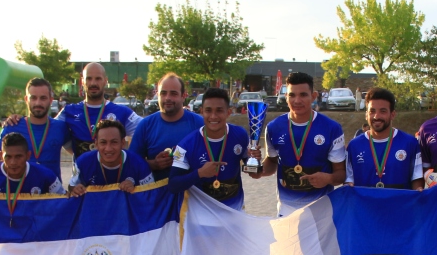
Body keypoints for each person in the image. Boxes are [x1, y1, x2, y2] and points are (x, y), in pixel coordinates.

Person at [250, 71, 346, 216]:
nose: (297, 100)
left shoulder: (332, 128)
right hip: (286, 210)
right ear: (285, 97)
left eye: (303, 95)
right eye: (292, 95)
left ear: (313, 96)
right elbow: (272, 162)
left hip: (321, 212)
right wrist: (258, 170)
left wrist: (329, 178)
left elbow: (341, 173)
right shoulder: (274, 127)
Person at [4, 63, 143, 159]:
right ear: (82, 81)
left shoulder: (122, 112)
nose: (93, 83)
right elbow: (45, 127)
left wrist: (130, 155)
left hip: (114, 181)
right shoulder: (68, 112)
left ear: (105, 81)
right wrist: (19, 119)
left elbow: (148, 128)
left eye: (98, 79)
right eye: (89, 78)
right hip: (81, 184)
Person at [168, 87, 251, 210]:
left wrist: (255, 161)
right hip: (201, 217)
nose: (213, 116)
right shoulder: (185, 146)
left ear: (228, 112)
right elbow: (173, 185)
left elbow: (254, 172)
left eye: (219, 110)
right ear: (201, 112)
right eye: (208, 110)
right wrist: (200, 173)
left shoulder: (240, 135)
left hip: (234, 213)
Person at [0, 78, 71, 179]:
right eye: (33, 98)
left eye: (43, 98)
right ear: (26, 99)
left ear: (51, 100)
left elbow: (78, 153)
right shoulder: (13, 126)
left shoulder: (60, 127)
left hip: (52, 188)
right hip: (21, 188)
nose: (38, 103)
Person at [127, 73, 204, 181]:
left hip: (192, 190)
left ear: (183, 96)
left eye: (173, 93)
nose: (167, 98)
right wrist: (154, 164)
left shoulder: (199, 124)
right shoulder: (145, 125)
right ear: (157, 95)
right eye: (163, 93)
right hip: (156, 190)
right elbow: (131, 164)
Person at [344, 87, 423, 190]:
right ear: (366, 115)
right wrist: (348, 185)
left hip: (398, 201)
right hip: (366, 201)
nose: (376, 116)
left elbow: (417, 180)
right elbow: (348, 182)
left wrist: (418, 193)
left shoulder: (410, 143)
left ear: (392, 114)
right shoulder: (354, 146)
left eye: (383, 111)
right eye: (372, 111)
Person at [0, 133, 64, 209]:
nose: (13, 162)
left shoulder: (45, 175)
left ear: (28, 156)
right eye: (8, 157)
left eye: (18, 156)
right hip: (3, 228)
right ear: (1, 156)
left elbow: (64, 200)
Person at [66, 119, 154, 196]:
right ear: (96, 144)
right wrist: (76, 189)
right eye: (103, 142)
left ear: (123, 143)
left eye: (114, 142)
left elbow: (151, 196)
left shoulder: (139, 164)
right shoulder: (82, 162)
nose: (108, 148)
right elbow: (72, 186)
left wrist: (136, 190)